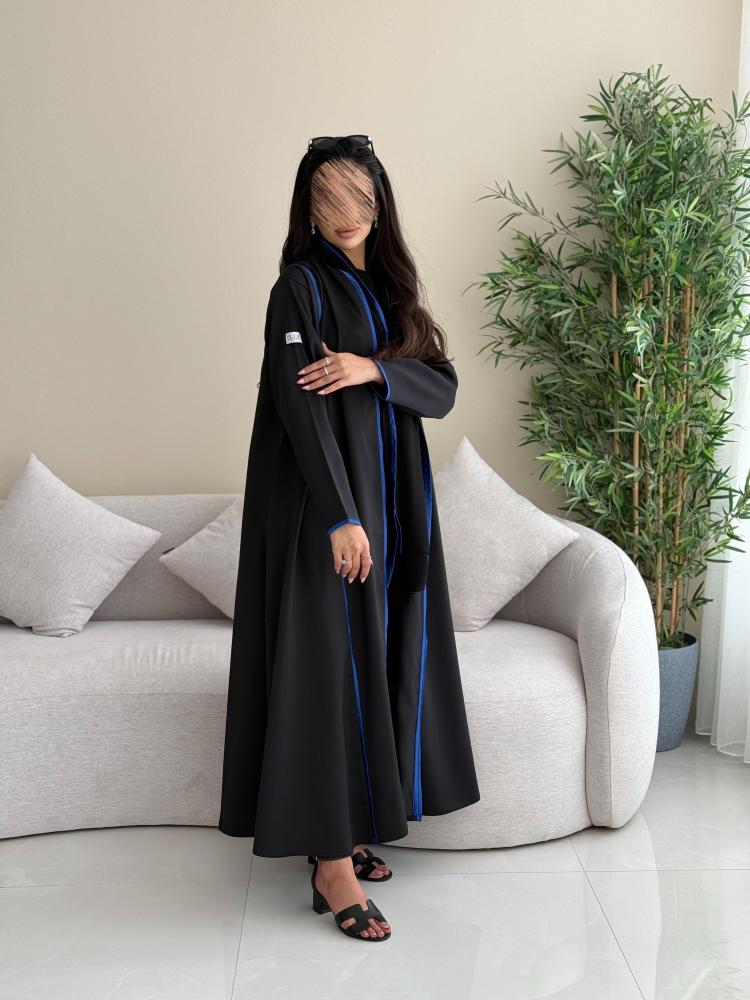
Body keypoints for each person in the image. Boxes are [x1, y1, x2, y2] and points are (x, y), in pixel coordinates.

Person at [218, 134, 480, 941]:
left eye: (359, 198)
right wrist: (339, 514)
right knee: (324, 675)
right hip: (323, 515)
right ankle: (330, 866)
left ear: (379, 203)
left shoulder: (393, 294)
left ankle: (349, 829)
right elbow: (298, 411)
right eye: (327, 198)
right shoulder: (297, 289)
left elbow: (442, 387)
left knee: (369, 664)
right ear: (307, 207)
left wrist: (373, 369)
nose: (345, 213)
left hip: (393, 513)